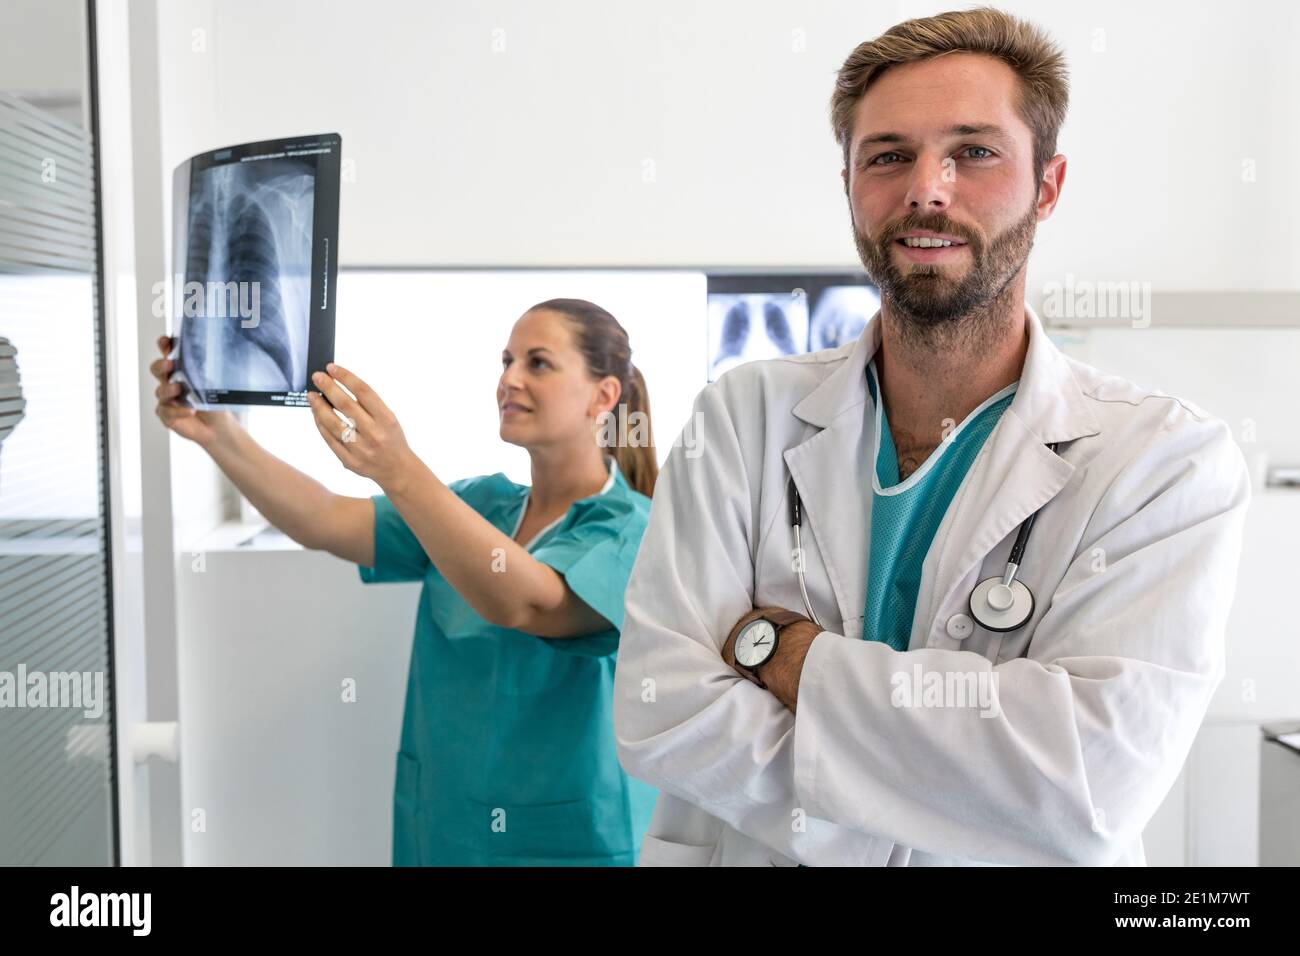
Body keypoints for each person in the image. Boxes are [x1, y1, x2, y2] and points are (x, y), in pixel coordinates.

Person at [612, 7, 1251, 866]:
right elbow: (663, 709)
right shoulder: (741, 418)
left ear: (1048, 186)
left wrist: (792, 659)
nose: (926, 188)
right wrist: (959, 797)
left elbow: (1089, 782)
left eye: (974, 151)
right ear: (849, 186)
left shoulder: (1166, 463)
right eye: (888, 156)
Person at [152, 298, 659, 865]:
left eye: (538, 363)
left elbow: (528, 603)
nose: (508, 379)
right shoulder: (479, 506)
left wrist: (398, 467)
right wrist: (218, 434)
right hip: (447, 829)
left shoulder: (635, 529)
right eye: (506, 360)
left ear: (604, 396)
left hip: (569, 843)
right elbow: (322, 519)